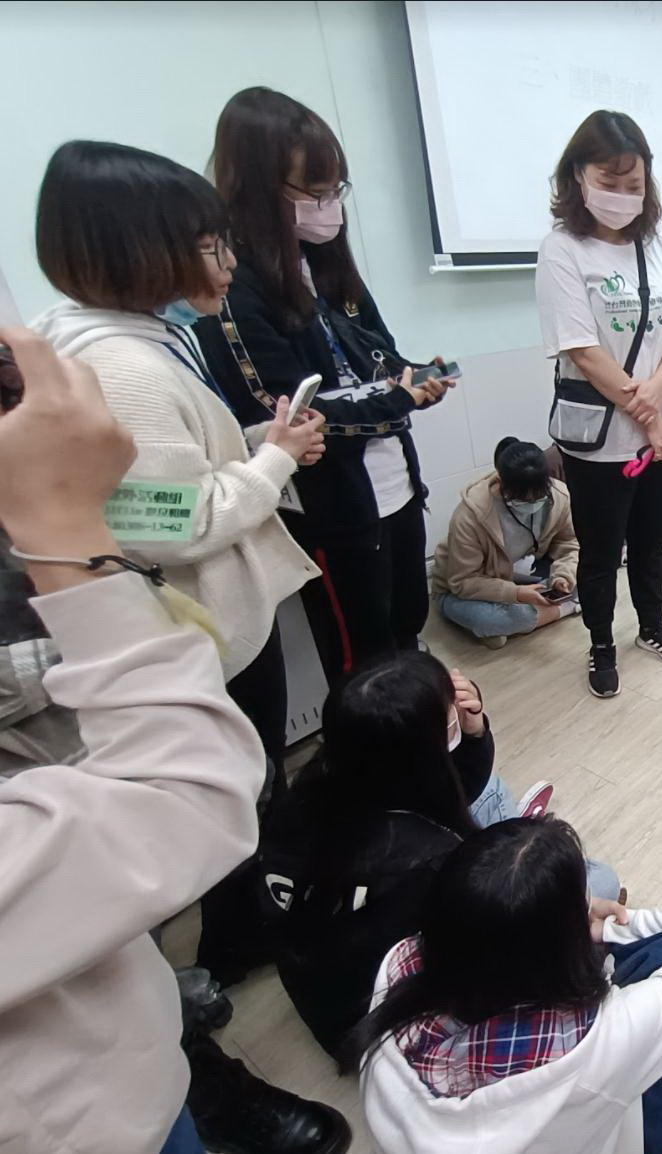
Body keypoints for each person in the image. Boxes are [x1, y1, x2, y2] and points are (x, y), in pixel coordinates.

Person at [31, 138, 332, 991]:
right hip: (200, 627)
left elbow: (174, 471)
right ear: (140, 248)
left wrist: (255, 445)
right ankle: (237, 941)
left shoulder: (138, 340)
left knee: (251, 778)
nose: (228, 261)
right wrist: (270, 464)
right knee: (239, 785)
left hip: (211, 618)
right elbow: (164, 520)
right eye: (211, 245)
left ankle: (243, 921)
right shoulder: (118, 366)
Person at [0, 328, 270, 1154]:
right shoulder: (117, 364)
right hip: (83, 1115)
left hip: (114, 1042)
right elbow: (184, 805)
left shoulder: (166, 345)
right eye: (203, 242)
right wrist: (62, 524)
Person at [196, 87, 451, 687]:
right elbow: (286, 413)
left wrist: (419, 374)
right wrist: (398, 397)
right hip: (331, 503)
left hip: (396, 485)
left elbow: (378, 354)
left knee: (407, 628)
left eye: (335, 189)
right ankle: (374, 772)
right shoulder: (236, 286)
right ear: (258, 188)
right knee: (360, 662)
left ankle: (419, 755)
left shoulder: (327, 263)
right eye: (313, 192)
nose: (328, 205)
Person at [258, 652, 614, 1059]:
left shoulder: (314, 786)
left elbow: (448, 788)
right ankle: (516, 840)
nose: (457, 705)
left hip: (325, 980)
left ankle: (512, 833)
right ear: (421, 754)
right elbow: (483, 945)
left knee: (489, 789)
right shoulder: (427, 862)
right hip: (379, 1020)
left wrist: (474, 731)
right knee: (598, 880)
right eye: (447, 711)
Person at [347, 817, 662, 1154]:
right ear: (556, 947)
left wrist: (573, 919)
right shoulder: (597, 1041)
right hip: (596, 1113)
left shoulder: (399, 964)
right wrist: (602, 926)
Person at [534, 110, 662, 699]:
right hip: (601, 437)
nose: (624, 196)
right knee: (602, 552)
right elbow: (582, 350)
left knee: (652, 540)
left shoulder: (656, 245)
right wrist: (650, 411)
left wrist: (658, 396)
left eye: (635, 185)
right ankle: (601, 642)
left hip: (660, 431)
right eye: (611, 182)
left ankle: (652, 625)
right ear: (578, 176)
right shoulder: (562, 250)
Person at [432, 438, 581, 649]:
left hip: (512, 572)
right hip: (458, 589)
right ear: (501, 481)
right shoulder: (470, 517)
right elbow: (462, 582)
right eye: (521, 499)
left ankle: (509, 626)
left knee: (586, 577)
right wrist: (516, 594)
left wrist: (563, 576)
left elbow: (569, 543)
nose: (530, 502)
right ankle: (562, 609)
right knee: (490, 619)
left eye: (538, 497)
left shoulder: (559, 496)